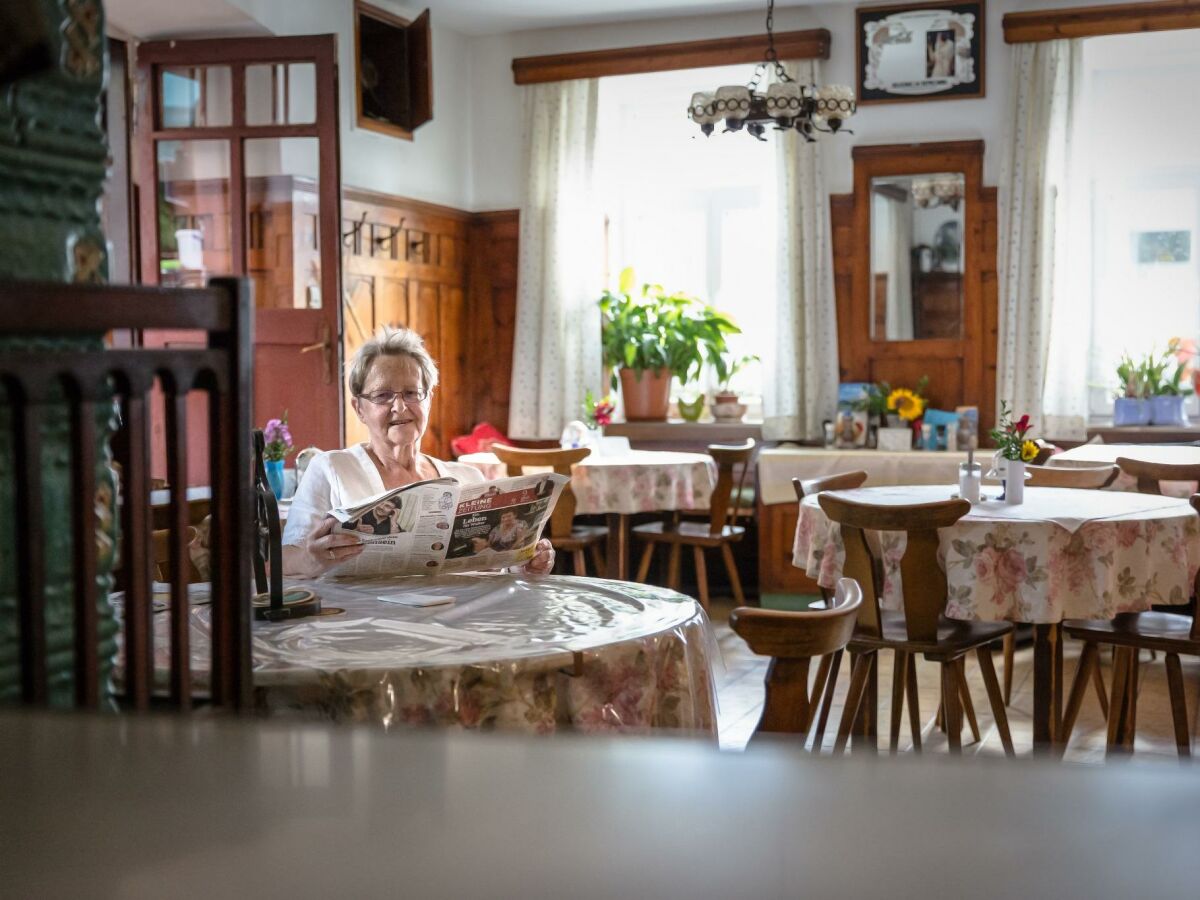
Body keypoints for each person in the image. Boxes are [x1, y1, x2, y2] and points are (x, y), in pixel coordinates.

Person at [282, 326, 554, 577]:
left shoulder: (469, 479)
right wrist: (311, 558)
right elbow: (282, 561)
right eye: (382, 395)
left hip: (459, 621)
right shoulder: (332, 468)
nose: (400, 407)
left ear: (429, 400)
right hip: (369, 623)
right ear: (359, 408)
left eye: (412, 393)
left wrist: (524, 564)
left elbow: (495, 568)